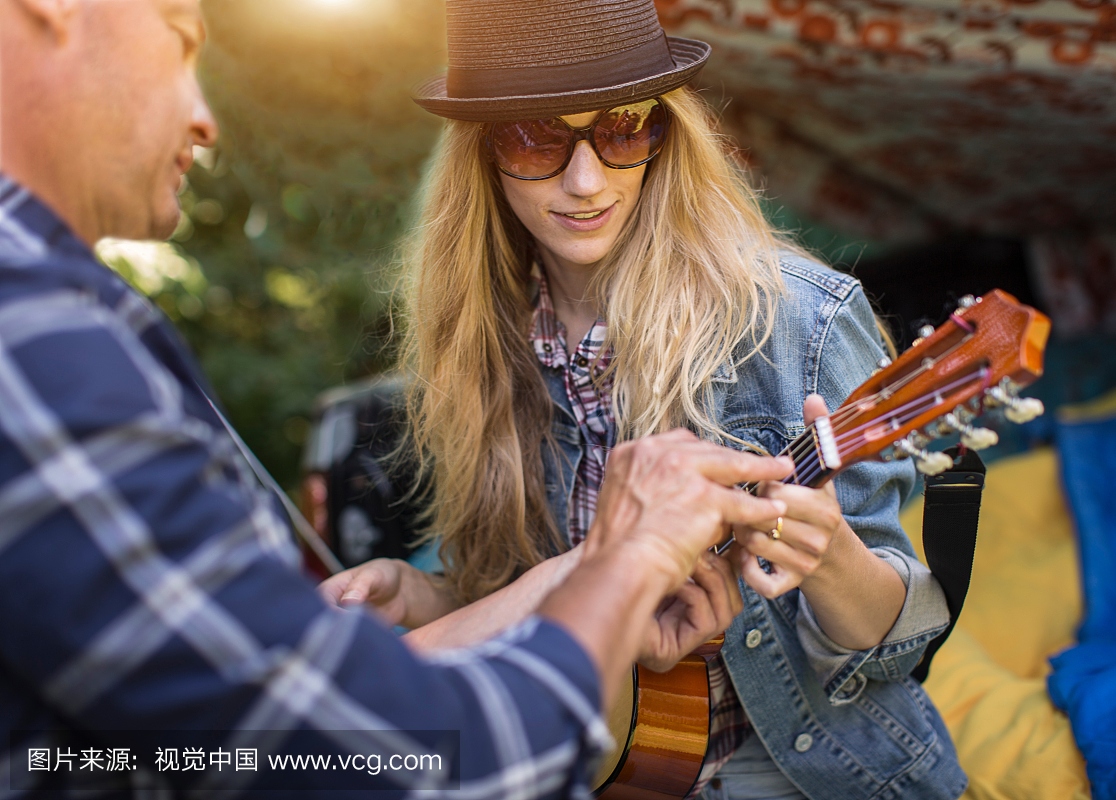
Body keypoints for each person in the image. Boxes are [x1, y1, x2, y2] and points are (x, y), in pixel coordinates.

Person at [0, 0, 797, 796]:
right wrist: (626, 564)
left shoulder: (65, 319)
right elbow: (367, 756)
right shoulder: (33, 331)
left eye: (623, 127)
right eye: (180, 44)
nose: (206, 120)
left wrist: (538, 585)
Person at [319, 1, 970, 798]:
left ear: (664, 135)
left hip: (821, 770)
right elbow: (523, 591)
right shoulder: (485, 346)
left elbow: (902, 645)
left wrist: (831, 557)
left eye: (623, 129)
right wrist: (426, 594)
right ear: (483, 158)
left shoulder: (803, 318)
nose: (586, 181)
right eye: (536, 140)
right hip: (623, 765)